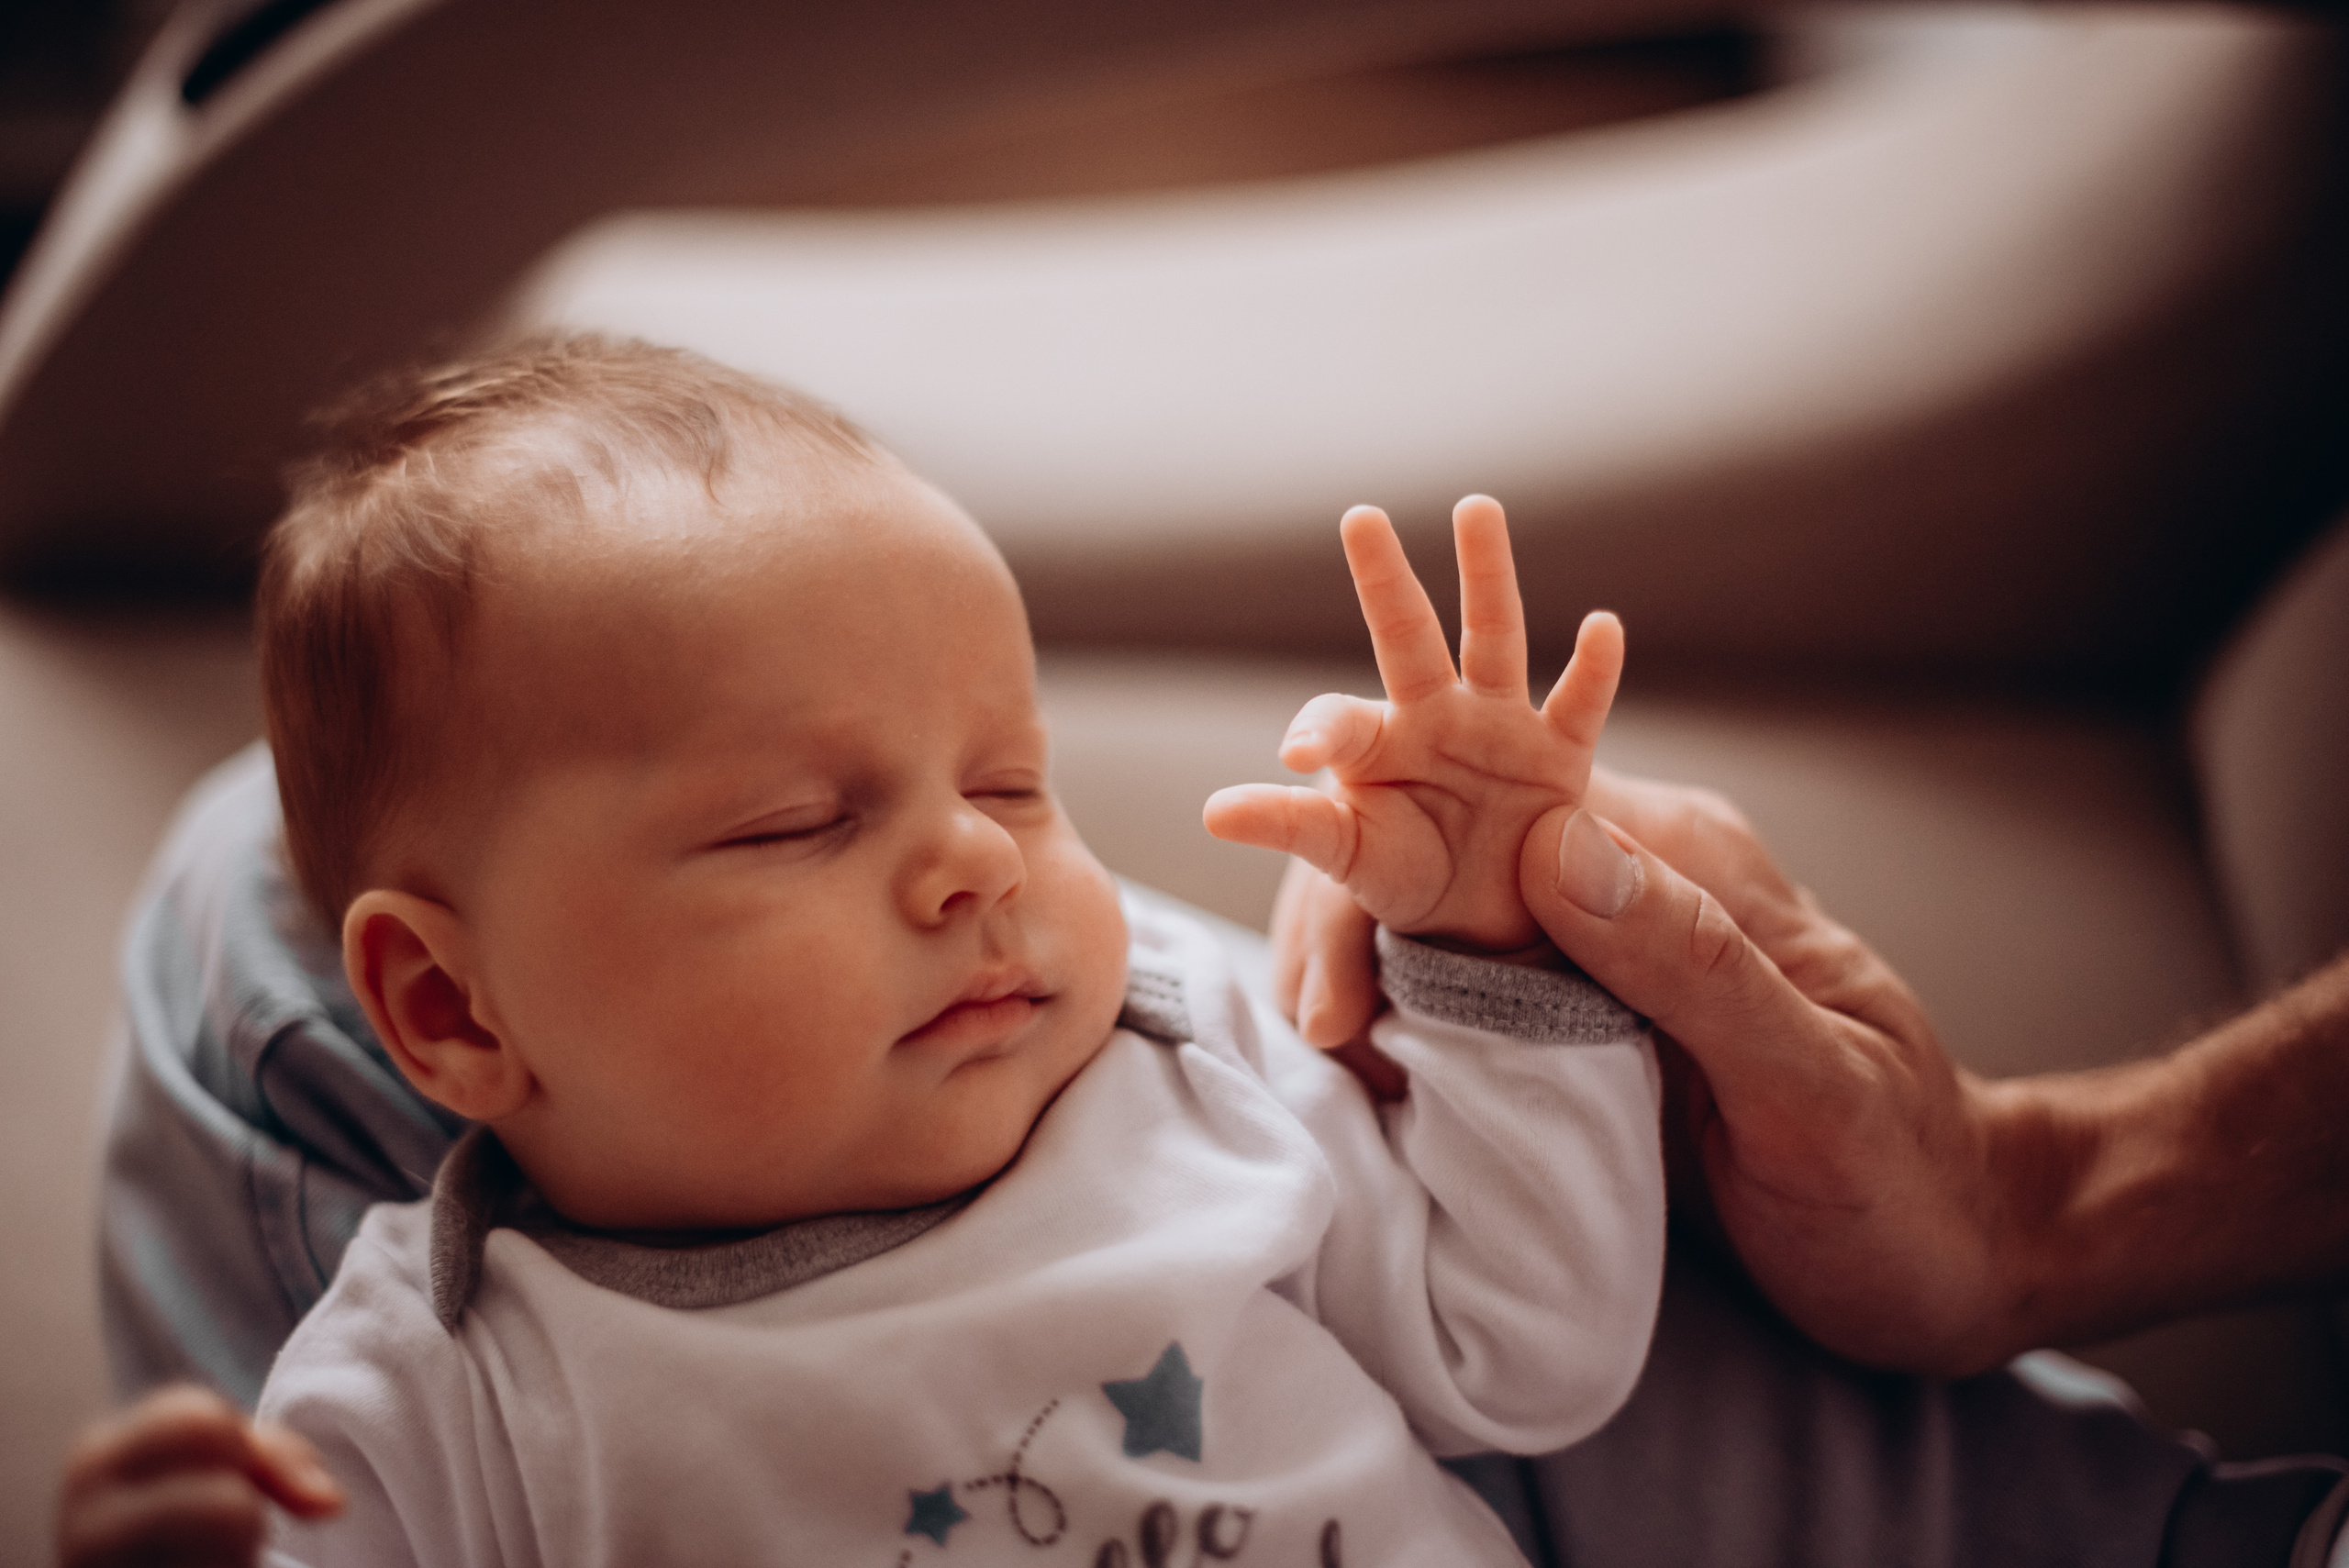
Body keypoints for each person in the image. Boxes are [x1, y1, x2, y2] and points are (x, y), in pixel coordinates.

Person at [60, 333, 1670, 1566]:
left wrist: (1487, 945)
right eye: (794, 823)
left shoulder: (1187, 1073)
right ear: (448, 1006)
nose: (976, 857)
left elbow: (1525, 1354)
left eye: (1011, 782)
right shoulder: (447, 1380)